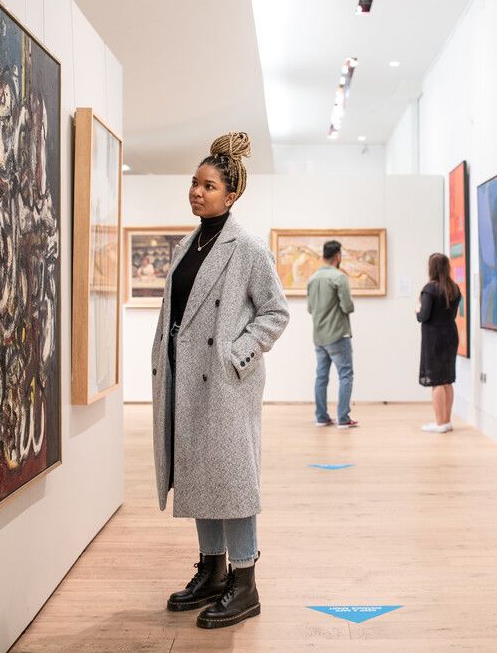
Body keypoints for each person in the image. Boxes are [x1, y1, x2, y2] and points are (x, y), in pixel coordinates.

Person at [150, 132, 289, 629]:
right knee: (199, 475)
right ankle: (211, 571)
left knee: (232, 481)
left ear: (231, 196)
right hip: (186, 380)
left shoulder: (246, 247)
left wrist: (238, 356)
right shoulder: (188, 244)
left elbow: (276, 312)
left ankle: (245, 581)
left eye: (208, 186)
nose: (196, 192)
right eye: (194, 183)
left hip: (225, 385)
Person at [306, 240, 357, 429]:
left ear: (323, 256)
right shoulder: (339, 278)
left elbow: (310, 309)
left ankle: (321, 417)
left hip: (318, 336)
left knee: (321, 377)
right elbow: (347, 306)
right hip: (337, 335)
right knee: (346, 375)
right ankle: (343, 418)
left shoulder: (312, 278)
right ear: (338, 256)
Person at [416, 253, 462, 433]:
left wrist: (417, 311)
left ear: (431, 268)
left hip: (434, 337)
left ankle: (439, 423)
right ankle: (447, 421)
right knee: (447, 379)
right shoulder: (454, 288)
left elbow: (424, 316)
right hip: (450, 334)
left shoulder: (429, 289)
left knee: (436, 381)